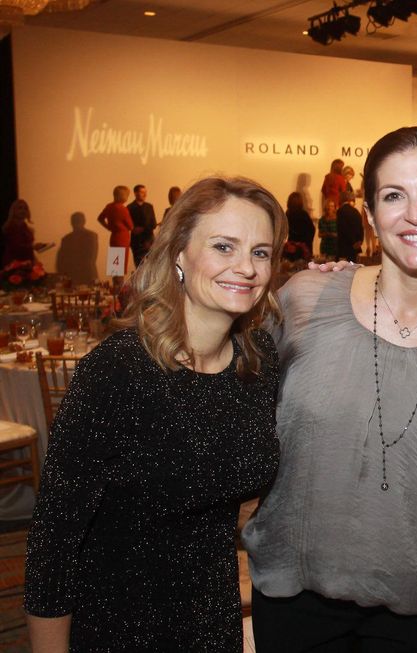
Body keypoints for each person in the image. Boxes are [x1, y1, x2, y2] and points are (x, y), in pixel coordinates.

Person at [243, 126, 417, 652]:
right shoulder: (305, 301)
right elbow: (231, 414)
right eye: (394, 196)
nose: (416, 213)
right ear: (371, 216)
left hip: (415, 625)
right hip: (291, 609)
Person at [24, 176, 286, 650]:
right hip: (115, 628)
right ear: (180, 255)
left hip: (213, 624)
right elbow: (52, 544)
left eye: (261, 252)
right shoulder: (118, 371)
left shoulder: (257, 361)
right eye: (224, 247)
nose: (246, 267)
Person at [55, 211, 99, 286]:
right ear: (84, 221)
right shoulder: (92, 236)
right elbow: (92, 257)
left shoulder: (66, 239)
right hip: (86, 275)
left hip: (75, 276)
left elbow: (61, 260)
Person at [97, 185, 134, 272]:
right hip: (122, 238)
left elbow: (100, 218)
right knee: (120, 266)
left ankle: (115, 284)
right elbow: (131, 226)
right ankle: (119, 284)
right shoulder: (123, 209)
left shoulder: (109, 206)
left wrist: (109, 227)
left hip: (114, 237)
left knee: (115, 266)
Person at [2, 199, 38, 266]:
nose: (23, 211)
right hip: (13, 264)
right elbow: (16, 247)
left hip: (27, 262)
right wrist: (33, 247)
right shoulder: (10, 227)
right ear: (14, 211)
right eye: (20, 208)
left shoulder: (27, 228)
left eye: (25, 208)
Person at [128, 184, 157, 267]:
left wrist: (143, 229)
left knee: (151, 265)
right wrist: (134, 228)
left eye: (145, 192)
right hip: (137, 241)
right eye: (142, 192)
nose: (145, 194)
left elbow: (153, 223)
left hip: (149, 239)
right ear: (136, 193)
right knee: (139, 265)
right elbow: (129, 224)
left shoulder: (149, 206)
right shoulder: (130, 207)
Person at [285, 191, 315, 260]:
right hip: (303, 246)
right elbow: (311, 229)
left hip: (292, 245)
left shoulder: (288, 214)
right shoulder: (303, 214)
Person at [336, 190, 364, 262]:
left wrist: (353, 241)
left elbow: (343, 228)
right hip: (356, 245)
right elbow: (361, 226)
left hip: (345, 246)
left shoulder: (340, 211)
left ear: (341, 199)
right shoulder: (355, 211)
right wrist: (360, 240)